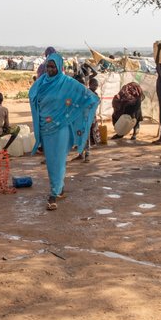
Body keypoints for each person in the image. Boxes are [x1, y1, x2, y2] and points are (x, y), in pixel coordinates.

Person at [29, 52, 99, 210]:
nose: (50, 69)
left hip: (61, 127)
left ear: (59, 67)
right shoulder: (41, 83)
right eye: (48, 66)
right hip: (45, 127)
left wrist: (92, 100)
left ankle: (53, 194)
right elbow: (32, 95)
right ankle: (58, 187)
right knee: (51, 162)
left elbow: (84, 94)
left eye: (53, 66)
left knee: (58, 160)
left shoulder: (67, 82)